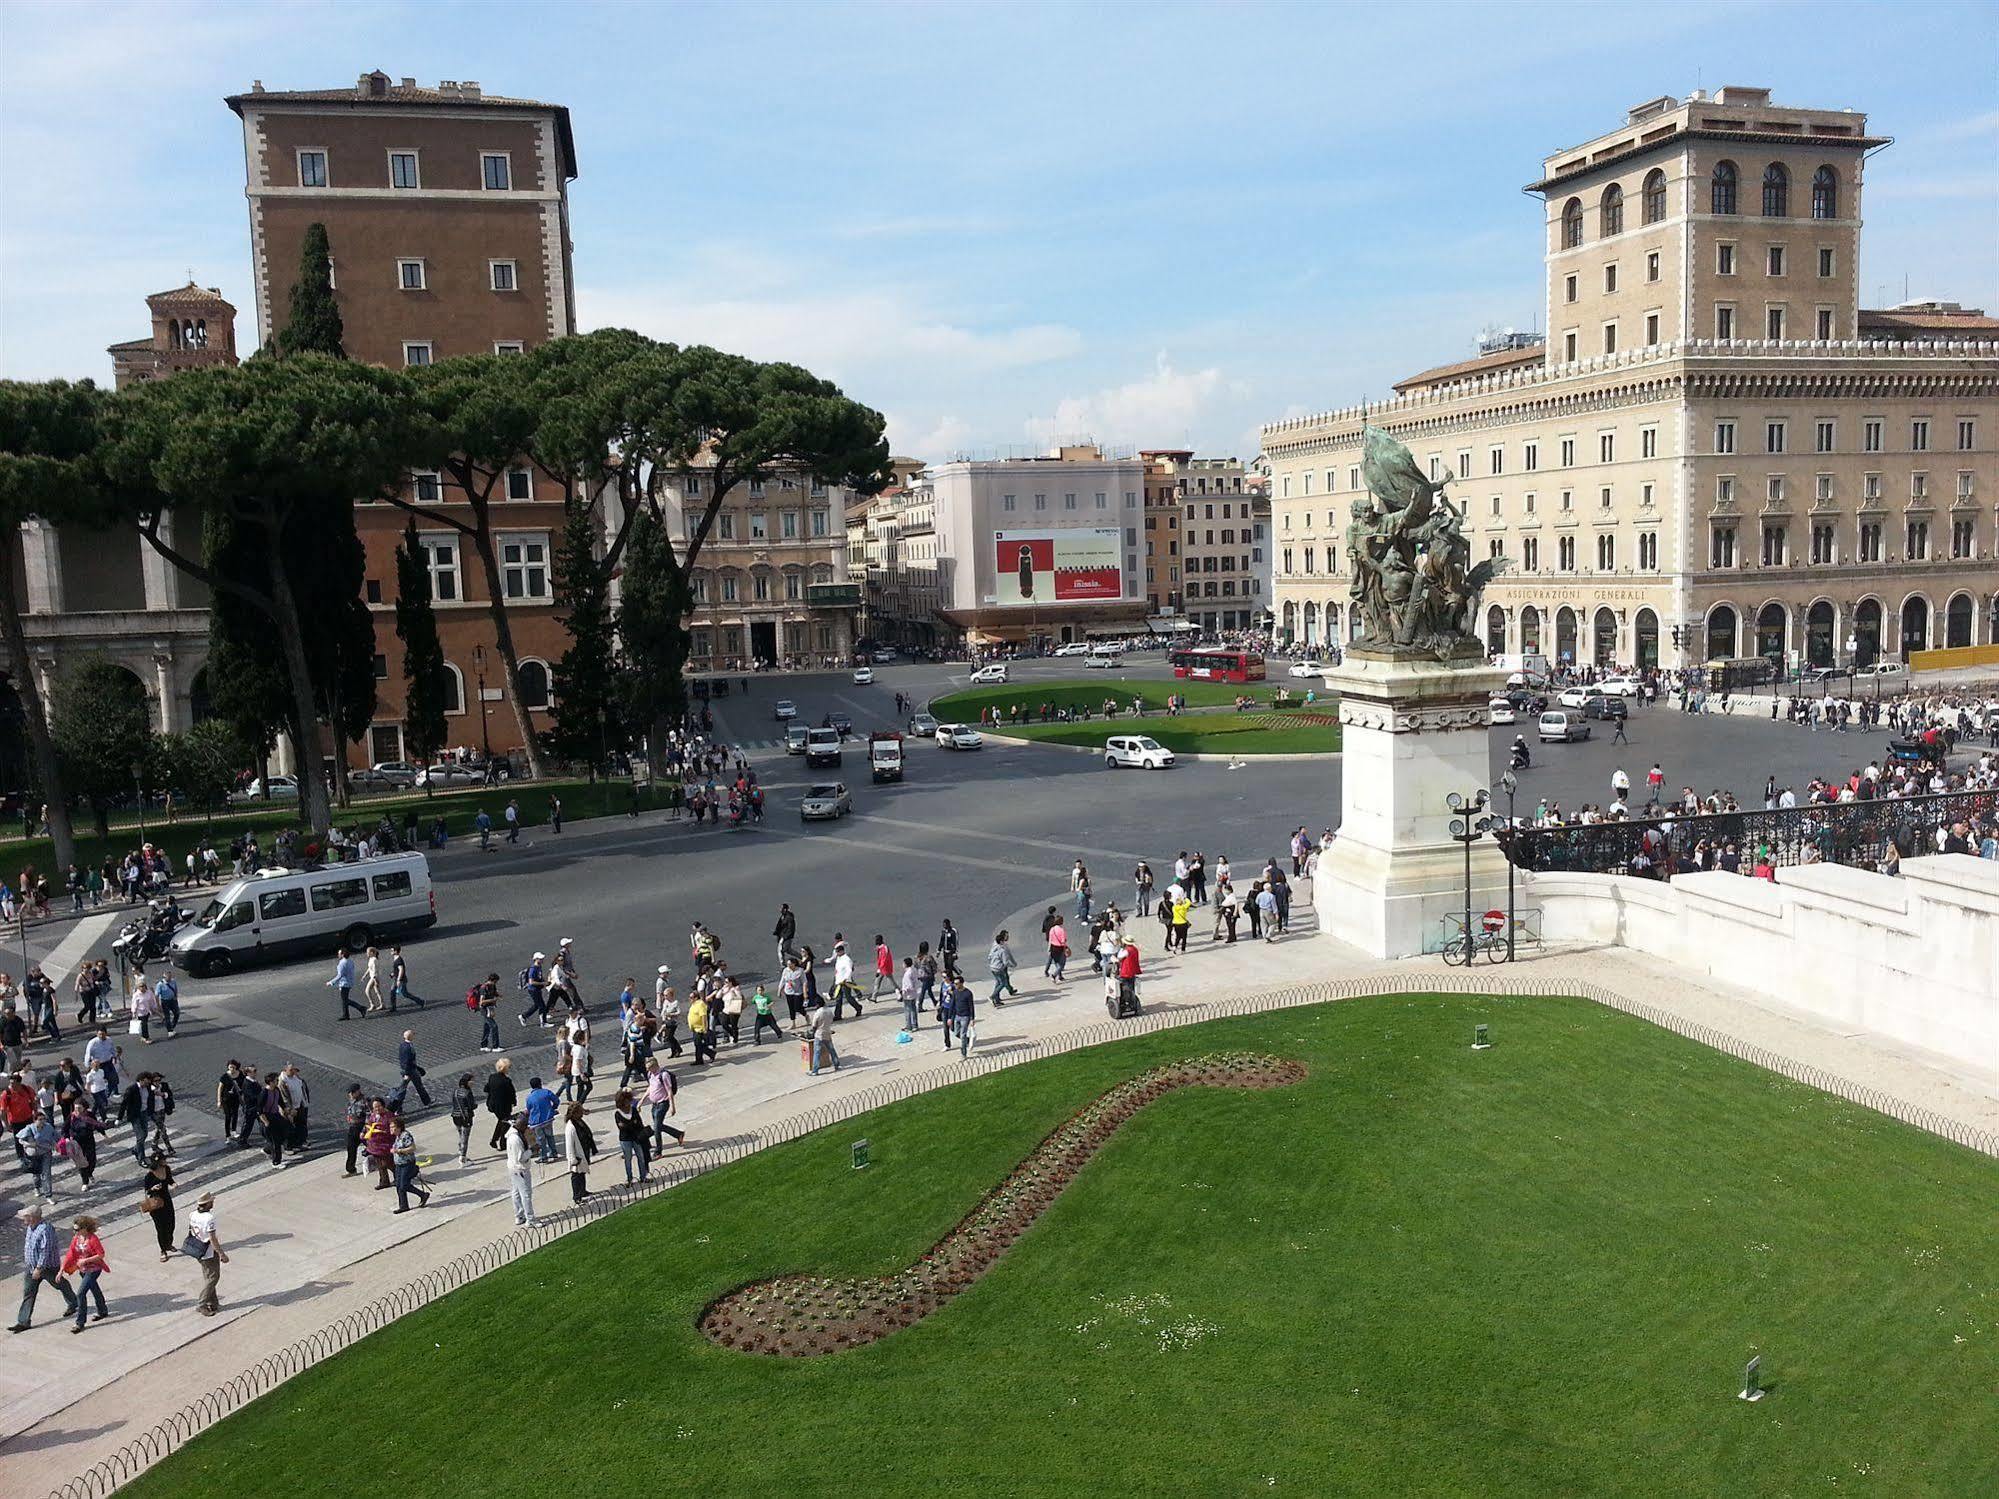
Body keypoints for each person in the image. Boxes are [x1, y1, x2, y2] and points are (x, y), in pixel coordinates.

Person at [10, 1204, 77, 1333]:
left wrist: (39, 1268)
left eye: (25, 1216)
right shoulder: (31, 1227)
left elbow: (45, 1251)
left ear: (33, 1218)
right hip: (31, 1267)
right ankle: (23, 1322)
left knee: (60, 1284)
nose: (23, 1219)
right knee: (29, 1293)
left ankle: (74, 1302)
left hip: (47, 1267)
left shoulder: (45, 1229)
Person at [62, 1215, 108, 1333]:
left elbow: (101, 1254)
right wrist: (62, 1269)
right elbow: (70, 1254)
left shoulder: (93, 1239)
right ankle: (102, 1310)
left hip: (94, 1269)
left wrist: (85, 1261)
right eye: (74, 1229)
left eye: (77, 1230)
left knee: (81, 1294)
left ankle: (80, 1322)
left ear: (85, 1228)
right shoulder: (76, 1239)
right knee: (94, 1289)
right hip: (83, 1270)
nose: (75, 1232)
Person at [185, 1191, 228, 1316]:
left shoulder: (192, 1214)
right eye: (211, 1201)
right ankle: (202, 1303)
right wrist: (221, 1254)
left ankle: (213, 1302)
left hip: (197, 1249)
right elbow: (212, 1238)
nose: (213, 1202)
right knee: (213, 1278)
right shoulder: (209, 1218)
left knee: (208, 1276)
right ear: (208, 1203)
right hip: (207, 1251)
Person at [389, 1114, 430, 1213]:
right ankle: (403, 1206)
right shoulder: (397, 1137)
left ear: (399, 1127)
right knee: (398, 1185)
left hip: (407, 1164)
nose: (391, 1129)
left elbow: (412, 1148)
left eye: (393, 1127)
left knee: (404, 1185)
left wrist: (399, 1151)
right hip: (399, 1164)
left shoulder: (405, 1135)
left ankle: (422, 1195)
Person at [643, 1058, 685, 1151]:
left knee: (657, 1129)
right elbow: (650, 1087)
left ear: (655, 1066)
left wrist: (672, 1106)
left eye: (649, 1068)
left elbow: (669, 1091)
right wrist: (641, 1101)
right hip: (654, 1104)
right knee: (658, 1125)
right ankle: (678, 1134)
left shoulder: (664, 1075)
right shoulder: (650, 1074)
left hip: (663, 1104)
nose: (647, 1070)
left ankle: (658, 1151)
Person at [505, 1113, 537, 1228]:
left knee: (516, 1192)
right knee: (526, 1195)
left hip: (513, 1168)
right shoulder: (515, 1139)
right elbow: (522, 1158)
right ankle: (530, 1219)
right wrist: (532, 1150)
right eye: (525, 1126)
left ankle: (519, 1216)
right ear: (521, 1125)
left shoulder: (513, 1133)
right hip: (520, 1169)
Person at [614, 1090, 650, 1184]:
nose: (627, 1103)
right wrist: (632, 1124)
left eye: (628, 1100)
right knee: (628, 1159)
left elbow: (639, 1123)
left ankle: (643, 1176)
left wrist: (628, 1125)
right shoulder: (618, 1113)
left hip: (636, 1138)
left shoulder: (633, 1110)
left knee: (641, 1157)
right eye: (625, 1101)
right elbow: (621, 1127)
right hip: (625, 1139)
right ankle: (629, 1178)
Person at [484, 1059, 517, 1152]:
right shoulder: (506, 1081)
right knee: (505, 1123)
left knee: (501, 1121)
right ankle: (502, 1143)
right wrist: (513, 1102)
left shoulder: (492, 1077)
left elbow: (486, 1089)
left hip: (494, 1105)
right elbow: (511, 1094)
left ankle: (495, 1140)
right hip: (504, 1106)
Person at [563, 1102, 590, 1202]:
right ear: (574, 1113)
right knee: (576, 1175)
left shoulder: (579, 1121)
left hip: (583, 1151)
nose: (582, 1114)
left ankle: (583, 1191)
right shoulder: (570, 1127)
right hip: (576, 1155)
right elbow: (569, 1145)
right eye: (580, 1112)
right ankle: (577, 1196)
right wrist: (573, 1159)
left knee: (582, 1172)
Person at [398, 1030, 432, 1108]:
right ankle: (427, 1102)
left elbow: (401, 1058)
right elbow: (407, 1060)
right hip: (410, 1070)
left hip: (406, 1069)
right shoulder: (409, 1047)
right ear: (410, 1037)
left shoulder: (402, 1045)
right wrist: (407, 1073)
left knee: (403, 1089)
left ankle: (398, 1108)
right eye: (413, 1034)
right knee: (418, 1087)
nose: (414, 1036)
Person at [449, 1074, 477, 1165]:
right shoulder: (468, 1092)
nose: (473, 1082)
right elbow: (471, 1106)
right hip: (465, 1117)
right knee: (465, 1137)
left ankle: (460, 1151)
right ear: (467, 1082)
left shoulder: (455, 1091)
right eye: (472, 1080)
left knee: (460, 1135)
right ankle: (462, 1158)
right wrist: (475, 1105)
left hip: (455, 1116)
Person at [328, 949, 364, 1022]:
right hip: (349, 981)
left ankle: (361, 1008)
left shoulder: (342, 963)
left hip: (344, 983)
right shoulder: (350, 961)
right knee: (344, 1000)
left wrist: (331, 982)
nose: (338, 955)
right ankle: (346, 1014)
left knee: (345, 1000)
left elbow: (340, 975)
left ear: (342, 955)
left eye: (339, 954)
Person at [341, 1082, 368, 1176]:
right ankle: (351, 1169)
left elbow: (368, 1117)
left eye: (353, 1092)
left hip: (362, 1128)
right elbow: (350, 1112)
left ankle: (381, 1163)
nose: (351, 1094)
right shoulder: (351, 1100)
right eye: (349, 1093)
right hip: (353, 1128)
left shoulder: (365, 1102)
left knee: (372, 1147)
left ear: (358, 1091)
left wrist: (364, 1130)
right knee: (351, 1148)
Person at [808, 996, 840, 1076]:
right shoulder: (829, 1011)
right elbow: (831, 1020)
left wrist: (812, 1033)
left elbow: (814, 1026)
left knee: (817, 1053)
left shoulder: (818, 1013)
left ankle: (815, 1070)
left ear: (818, 1004)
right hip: (827, 1033)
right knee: (831, 1050)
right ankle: (836, 1065)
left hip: (819, 1035)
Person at [987, 929, 1019, 1006]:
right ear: (1002, 940)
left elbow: (990, 956)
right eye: (1006, 936)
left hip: (993, 967)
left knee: (998, 982)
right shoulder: (1002, 949)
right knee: (1003, 983)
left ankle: (997, 999)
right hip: (999, 968)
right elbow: (1006, 962)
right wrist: (1012, 965)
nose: (1008, 937)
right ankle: (992, 996)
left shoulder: (997, 947)